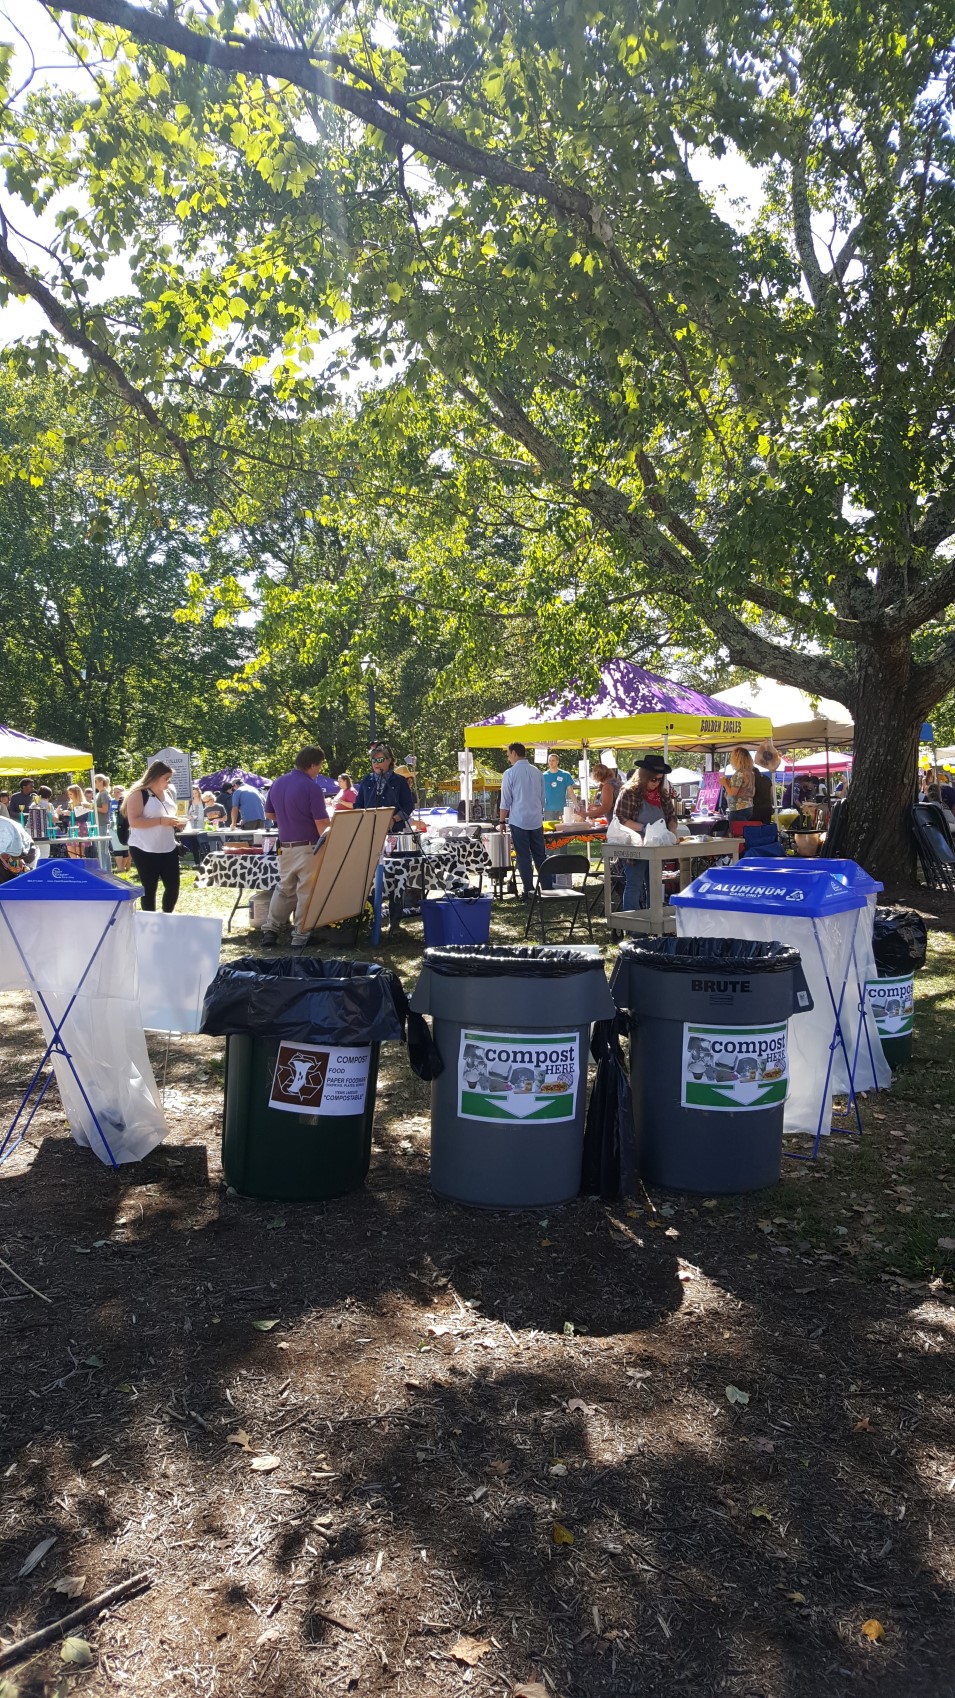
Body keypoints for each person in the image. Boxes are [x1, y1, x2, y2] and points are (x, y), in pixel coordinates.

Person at [262, 745, 330, 949]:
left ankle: (270, 929)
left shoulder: (278, 782)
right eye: (319, 766)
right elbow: (321, 824)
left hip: (285, 845)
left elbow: (270, 814)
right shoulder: (312, 787)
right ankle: (300, 935)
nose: (319, 770)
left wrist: (288, 817)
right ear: (311, 765)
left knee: (284, 888)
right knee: (306, 891)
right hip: (308, 847)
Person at [613, 755, 677, 909]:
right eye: (653, 779)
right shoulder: (629, 792)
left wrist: (673, 832)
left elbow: (671, 816)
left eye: (660, 780)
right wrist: (644, 828)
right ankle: (633, 927)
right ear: (644, 776)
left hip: (656, 846)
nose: (656, 783)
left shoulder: (663, 794)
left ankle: (654, 923)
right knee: (634, 884)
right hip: (635, 845)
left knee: (654, 885)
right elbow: (621, 818)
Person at [122, 759, 186, 912]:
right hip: (144, 848)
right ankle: (150, 920)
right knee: (149, 887)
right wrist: (161, 821)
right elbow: (134, 821)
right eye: (166, 778)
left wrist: (177, 823)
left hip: (168, 846)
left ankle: (167, 916)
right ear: (156, 777)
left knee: (173, 886)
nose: (168, 782)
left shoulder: (169, 792)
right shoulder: (139, 794)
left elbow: (170, 815)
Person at [499, 741, 547, 899]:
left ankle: (528, 889)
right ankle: (547, 888)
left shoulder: (510, 773)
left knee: (523, 856)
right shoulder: (538, 772)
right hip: (535, 819)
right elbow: (542, 799)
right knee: (540, 855)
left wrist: (501, 821)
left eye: (507, 754)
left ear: (514, 753)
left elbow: (505, 800)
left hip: (519, 819)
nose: (507, 758)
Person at [353, 744, 416, 828]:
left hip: (394, 830)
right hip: (369, 830)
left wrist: (394, 819)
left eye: (380, 760)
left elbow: (408, 806)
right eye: (374, 760)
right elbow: (358, 804)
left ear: (389, 760)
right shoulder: (366, 780)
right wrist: (363, 818)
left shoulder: (400, 781)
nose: (376, 763)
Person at [718, 746, 756, 821]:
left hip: (738, 808)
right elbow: (753, 791)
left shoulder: (739, 773)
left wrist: (725, 784)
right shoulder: (750, 773)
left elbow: (733, 793)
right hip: (748, 806)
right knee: (743, 830)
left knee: (736, 831)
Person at [543, 751, 576, 820]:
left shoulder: (565, 775)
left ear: (557, 761)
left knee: (562, 829)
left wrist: (576, 804)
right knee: (549, 830)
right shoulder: (544, 775)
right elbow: (539, 792)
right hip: (548, 809)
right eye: (549, 760)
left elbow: (571, 792)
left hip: (562, 809)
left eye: (553, 760)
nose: (551, 762)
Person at [110, 784, 131, 872]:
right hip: (113, 827)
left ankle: (123, 867)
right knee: (117, 847)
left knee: (125, 847)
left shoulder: (126, 802)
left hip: (125, 827)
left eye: (118, 792)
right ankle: (120, 868)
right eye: (114, 792)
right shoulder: (111, 802)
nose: (115, 794)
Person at [93, 773, 112, 839]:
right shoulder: (99, 794)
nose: (94, 783)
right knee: (98, 846)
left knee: (102, 846)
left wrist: (92, 807)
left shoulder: (104, 794)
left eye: (95, 781)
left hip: (102, 824)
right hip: (98, 823)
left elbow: (105, 810)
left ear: (101, 782)